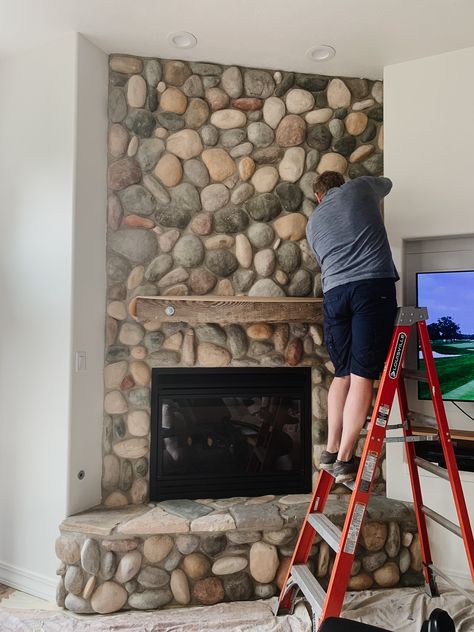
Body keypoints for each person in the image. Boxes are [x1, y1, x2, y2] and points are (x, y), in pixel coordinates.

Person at [306, 171, 399, 483]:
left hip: (334, 296)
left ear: (318, 197)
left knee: (342, 374)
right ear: (342, 183)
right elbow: (387, 185)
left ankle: (330, 450)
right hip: (370, 289)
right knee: (362, 377)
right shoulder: (359, 188)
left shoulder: (313, 222)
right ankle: (346, 460)